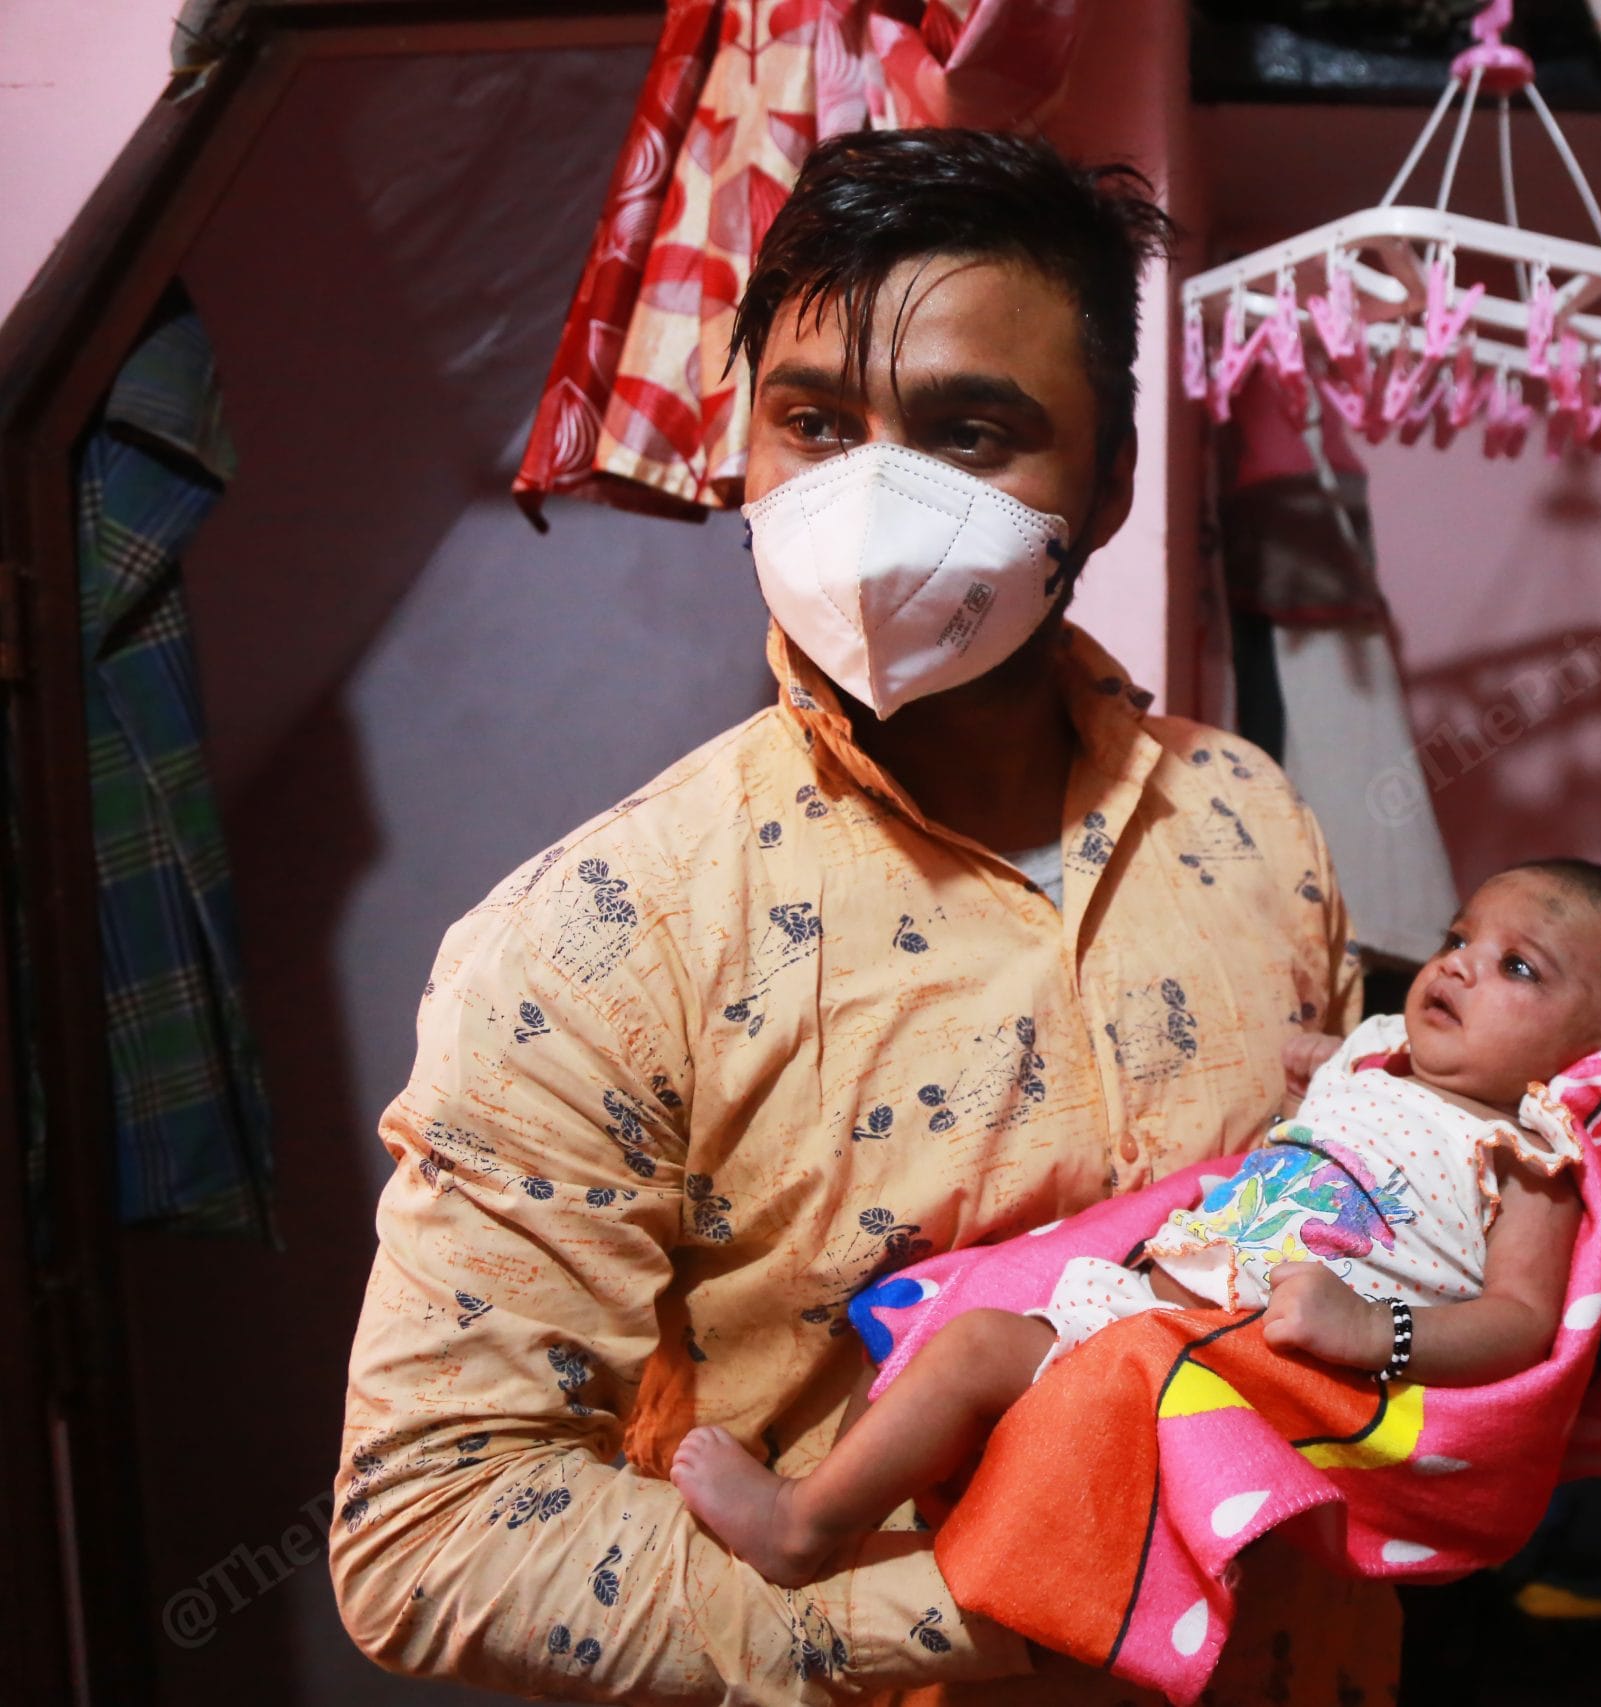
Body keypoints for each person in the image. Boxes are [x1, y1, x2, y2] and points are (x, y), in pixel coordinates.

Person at [329, 130, 1395, 1704]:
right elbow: (433, 1529)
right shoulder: (603, 939)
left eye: (972, 436)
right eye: (815, 422)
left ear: (1106, 484)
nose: (872, 500)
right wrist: (1008, 1595)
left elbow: (1348, 1217)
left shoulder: (1250, 822)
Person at [671, 858, 1601, 1590]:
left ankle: (803, 1529)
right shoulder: (1386, 1048)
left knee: (979, 1350)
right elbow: (1333, 1085)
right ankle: (874, 1501)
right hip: (1155, 1315)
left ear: (1598, 1060)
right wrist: (1321, 1064)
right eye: (1458, 939)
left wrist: (1373, 1333)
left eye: (1517, 966)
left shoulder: (1530, 1152)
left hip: (1256, 1376)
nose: (1457, 966)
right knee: (951, 1309)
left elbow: (1522, 1321)